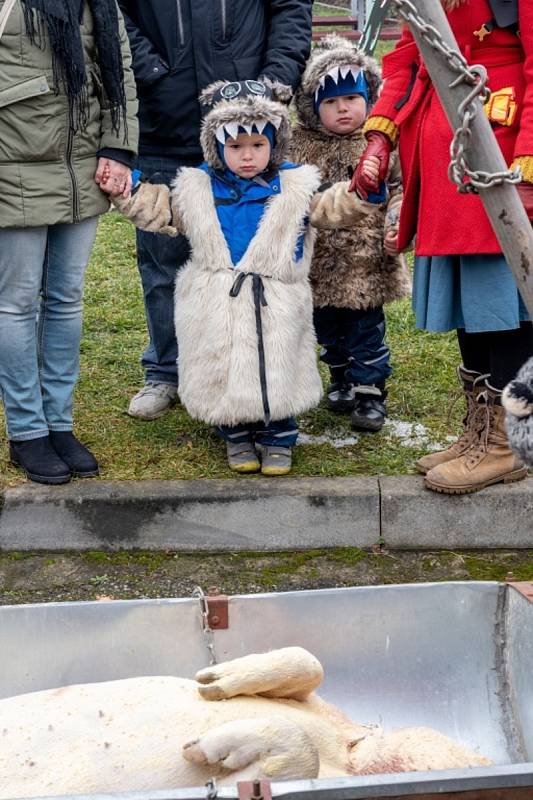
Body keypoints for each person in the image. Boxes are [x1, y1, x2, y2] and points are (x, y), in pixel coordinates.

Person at [114, 81, 369, 475]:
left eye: (257, 145)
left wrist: (359, 193)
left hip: (277, 298)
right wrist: (127, 190)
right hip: (217, 297)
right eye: (235, 147)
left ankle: (278, 435)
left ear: (275, 143)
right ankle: (234, 432)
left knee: (277, 361)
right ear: (216, 146)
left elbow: (329, 209)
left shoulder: (296, 187)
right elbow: (158, 210)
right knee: (224, 361)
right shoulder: (195, 189)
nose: (247, 156)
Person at [353, 0, 533, 493]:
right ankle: (481, 433)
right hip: (447, 162)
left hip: (501, 153)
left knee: (508, 301)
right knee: (473, 302)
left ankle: (506, 444)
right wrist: (379, 136)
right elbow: (409, 57)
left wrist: (528, 168)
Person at [118, 0, 314, 422]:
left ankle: (258, 369)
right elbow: (116, 13)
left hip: (246, 126)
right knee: (162, 260)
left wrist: (275, 81)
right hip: (164, 121)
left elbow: (290, 8)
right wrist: (151, 73)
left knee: (251, 257)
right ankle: (166, 370)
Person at [0, 0, 138, 485]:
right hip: (11, 164)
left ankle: (58, 423)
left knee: (65, 299)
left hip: (81, 164)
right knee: (16, 304)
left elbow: (118, 66)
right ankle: (27, 431)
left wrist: (119, 148)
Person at [291, 35, 411, 432]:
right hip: (318, 264)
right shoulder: (298, 147)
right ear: (312, 107)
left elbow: (399, 188)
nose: (343, 109)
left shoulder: (380, 143)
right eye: (330, 102)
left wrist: (396, 218)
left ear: (369, 98)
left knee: (365, 330)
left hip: (367, 261)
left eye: (352, 99)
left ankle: (370, 392)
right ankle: (340, 377)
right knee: (326, 328)